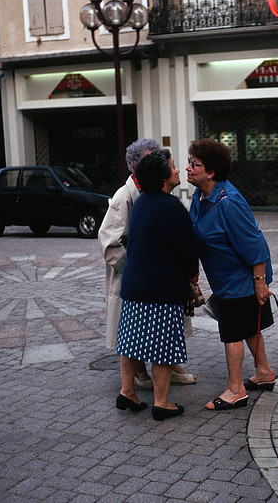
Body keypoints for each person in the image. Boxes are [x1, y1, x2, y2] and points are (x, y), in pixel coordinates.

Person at [98, 139, 197, 391]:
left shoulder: (151, 195)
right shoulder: (126, 195)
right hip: (137, 278)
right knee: (136, 333)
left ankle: (164, 371)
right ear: (137, 165)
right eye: (156, 158)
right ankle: (141, 378)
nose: (164, 163)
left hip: (154, 278)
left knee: (152, 332)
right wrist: (136, 268)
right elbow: (109, 241)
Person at [186, 138, 276, 411]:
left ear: (211, 172)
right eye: (189, 163)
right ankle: (264, 373)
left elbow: (255, 243)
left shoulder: (229, 202)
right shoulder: (200, 196)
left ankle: (235, 390)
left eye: (195, 164)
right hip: (225, 278)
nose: (188, 168)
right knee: (249, 326)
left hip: (241, 279)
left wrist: (259, 283)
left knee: (233, 331)